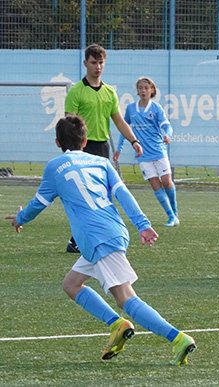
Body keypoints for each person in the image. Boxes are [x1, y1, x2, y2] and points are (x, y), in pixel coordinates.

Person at [5, 115, 196, 365]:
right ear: (85, 141)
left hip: (97, 239)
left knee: (125, 298)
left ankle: (179, 338)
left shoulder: (54, 167)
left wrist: (20, 219)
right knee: (71, 284)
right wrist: (142, 224)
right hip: (110, 233)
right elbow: (122, 194)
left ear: (57, 142)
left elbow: (37, 205)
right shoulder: (101, 162)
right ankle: (116, 324)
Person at [64, 43, 143, 253]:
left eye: (101, 63)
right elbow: (68, 123)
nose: (98, 67)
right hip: (81, 148)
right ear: (85, 63)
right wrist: (71, 150)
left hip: (102, 148)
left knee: (104, 194)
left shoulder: (109, 92)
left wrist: (134, 141)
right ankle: (77, 239)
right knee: (83, 195)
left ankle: (86, 238)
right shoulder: (76, 92)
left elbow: (119, 122)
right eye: (93, 62)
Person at [113, 77, 179, 227]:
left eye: (146, 88)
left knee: (167, 182)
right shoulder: (131, 109)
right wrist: (119, 150)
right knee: (155, 185)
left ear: (152, 91)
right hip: (143, 155)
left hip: (158, 151)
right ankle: (170, 217)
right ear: (137, 91)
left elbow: (167, 126)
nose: (143, 91)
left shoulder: (156, 109)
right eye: (140, 88)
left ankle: (175, 212)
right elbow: (124, 130)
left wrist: (168, 135)